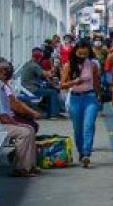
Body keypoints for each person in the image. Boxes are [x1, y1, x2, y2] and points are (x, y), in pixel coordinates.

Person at [0, 58, 38, 177]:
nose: (9, 72)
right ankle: (21, 168)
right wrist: (17, 124)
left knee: (29, 128)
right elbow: (2, 116)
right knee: (25, 132)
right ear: (1, 71)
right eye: (6, 69)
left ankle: (29, 165)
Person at [62, 40, 102, 168]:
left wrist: (99, 96)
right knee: (78, 128)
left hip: (90, 98)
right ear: (75, 52)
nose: (82, 57)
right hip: (75, 98)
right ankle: (81, 152)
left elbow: (96, 83)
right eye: (80, 54)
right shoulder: (68, 66)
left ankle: (86, 153)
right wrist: (74, 82)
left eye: (85, 54)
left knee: (88, 126)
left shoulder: (93, 65)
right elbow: (61, 85)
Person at [17, 47, 62, 119]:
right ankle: (54, 114)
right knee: (53, 92)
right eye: (40, 58)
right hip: (32, 89)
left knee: (49, 91)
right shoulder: (34, 65)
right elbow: (47, 74)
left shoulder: (28, 64)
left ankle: (50, 113)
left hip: (26, 88)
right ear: (38, 58)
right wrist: (55, 68)